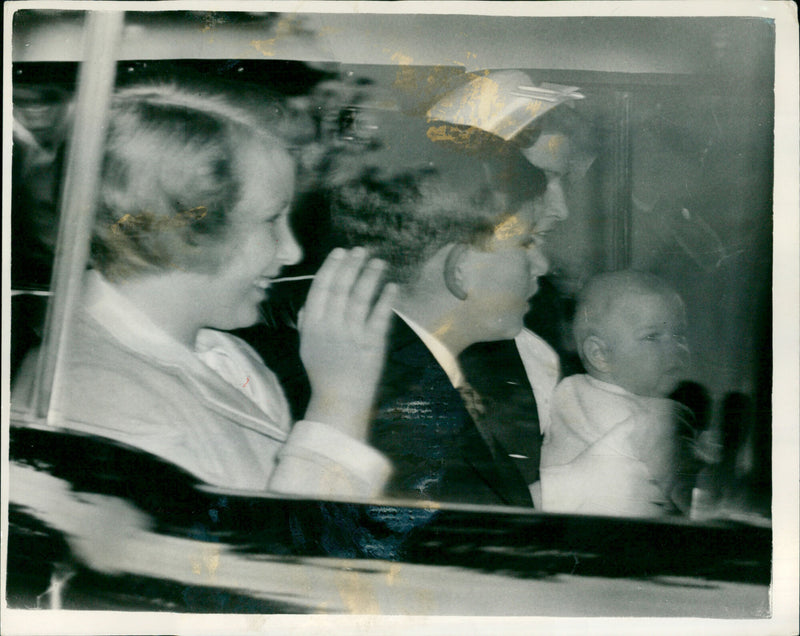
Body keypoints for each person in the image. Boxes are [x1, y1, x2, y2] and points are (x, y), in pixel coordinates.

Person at [11, 82, 398, 499]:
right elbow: (273, 558)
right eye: (271, 220)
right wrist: (340, 403)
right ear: (181, 231)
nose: (291, 251)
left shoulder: (225, 353)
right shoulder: (96, 398)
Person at [328, 148, 558, 507]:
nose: (541, 265)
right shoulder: (401, 422)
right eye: (527, 243)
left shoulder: (407, 372)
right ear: (462, 269)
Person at [536, 270, 692, 516]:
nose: (676, 348)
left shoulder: (568, 390)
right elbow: (692, 500)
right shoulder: (660, 418)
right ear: (600, 355)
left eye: (679, 335)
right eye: (652, 336)